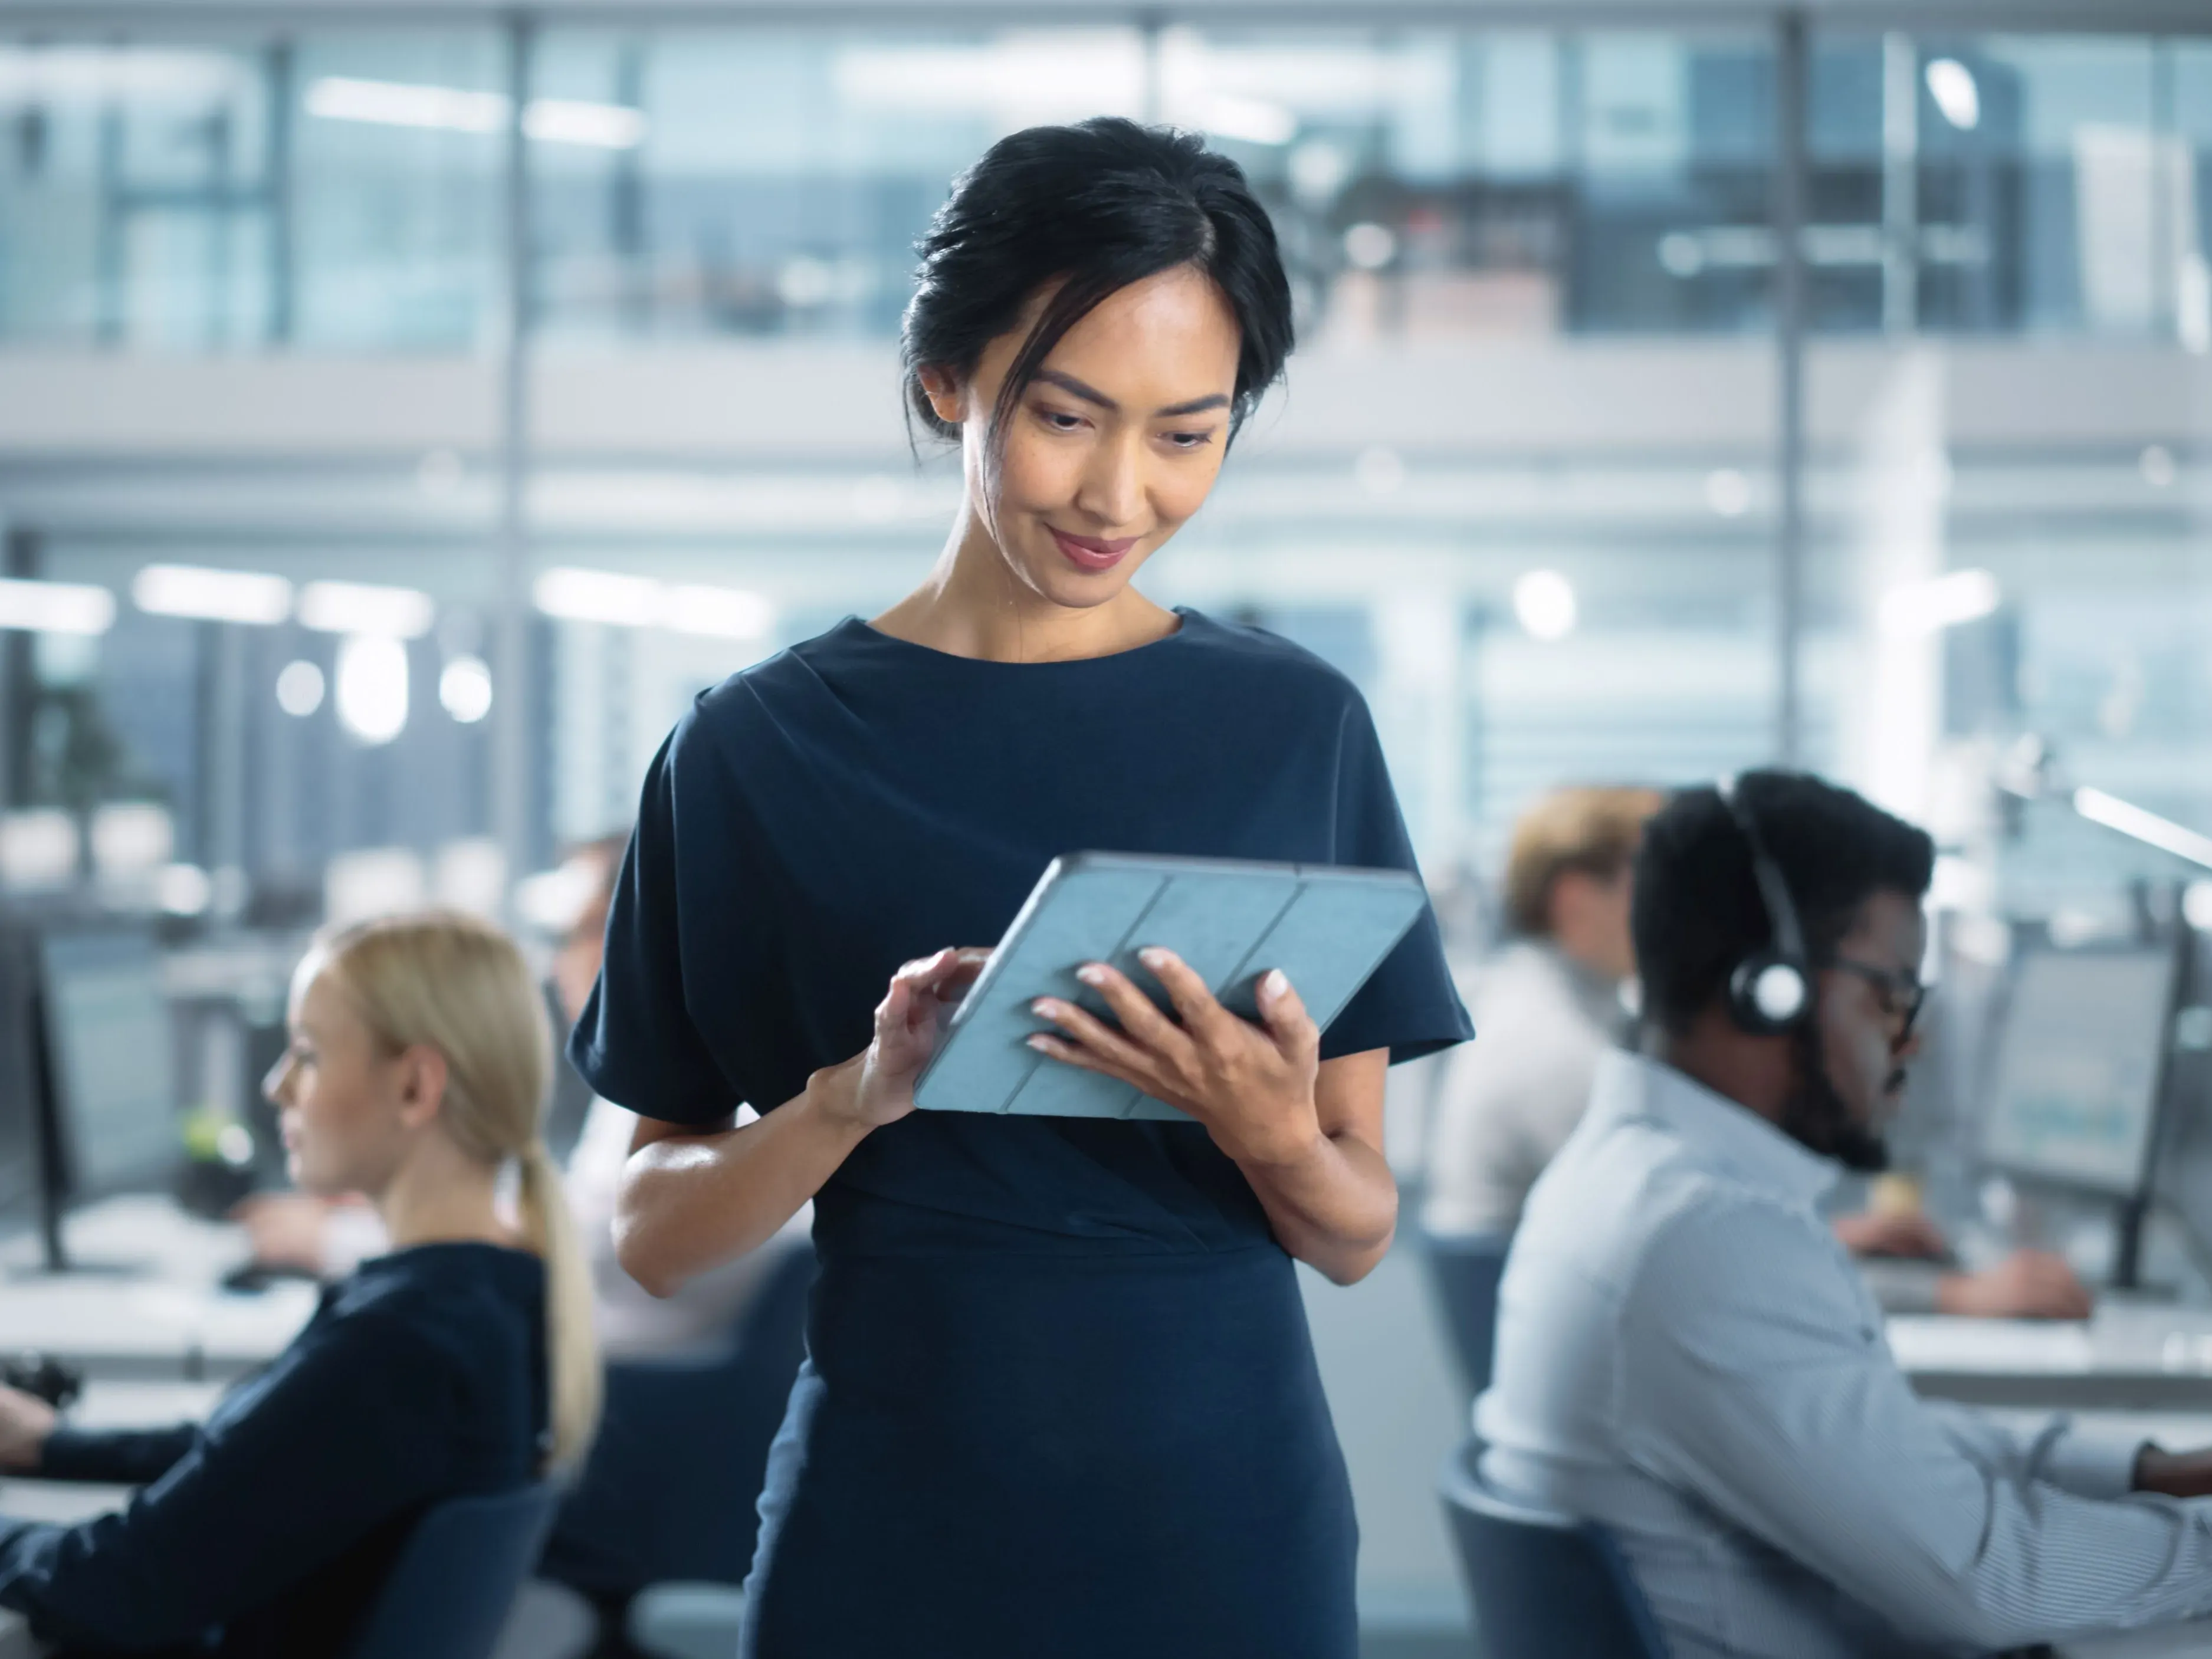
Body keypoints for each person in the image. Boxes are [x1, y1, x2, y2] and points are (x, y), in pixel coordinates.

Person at [572, 117, 1469, 1659]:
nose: (1118, 491)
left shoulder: (1297, 728)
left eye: (1186, 435)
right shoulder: (748, 751)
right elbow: (651, 1231)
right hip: (892, 1527)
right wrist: (849, 1098)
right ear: (948, 381)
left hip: (1226, 1526)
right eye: (1066, 415)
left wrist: (1266, 1131)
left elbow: (1353, 1224)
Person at [1479, 772, 2212, 1659]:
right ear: (1766, 989)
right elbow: (1989, 1582)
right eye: (1890, 994)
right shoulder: (1704, 1234)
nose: (1911, 1041)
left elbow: (1873, 1446)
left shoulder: (1627, 1178)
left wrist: (2141, 1468)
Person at [0, 912, 599, 1657]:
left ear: (415, 1085)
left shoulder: (398, 1345)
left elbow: (116, 1585)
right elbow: (264, 1454)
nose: (276, 1084)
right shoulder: (494, 1291)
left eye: (307, 1054)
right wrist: (52, 1445)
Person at [1425, 784, 2089, 1320]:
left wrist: (1833, 1239)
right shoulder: (1552, 1049)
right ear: (1574, 899)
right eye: (1652, 883)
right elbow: (1707, 1264)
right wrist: (1955, 1295)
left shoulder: (1555, 1008)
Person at [239, 837, 804, 1359]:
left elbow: (591, 1251)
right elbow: (581, 1219)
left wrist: (342, 1239)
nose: (560, 964)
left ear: (650, 932)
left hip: (627, 1393)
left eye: (578, 933)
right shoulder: (650, 1082)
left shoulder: (714, 1093)